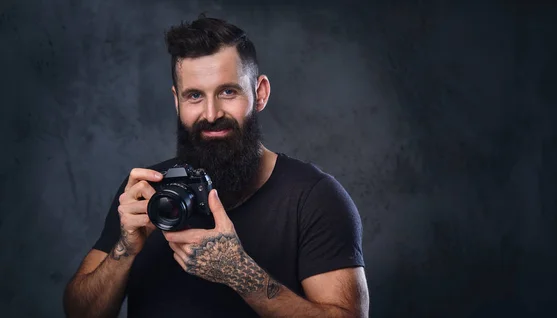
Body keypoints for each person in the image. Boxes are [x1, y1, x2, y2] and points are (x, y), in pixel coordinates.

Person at [63, 15, 369, 318]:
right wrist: (125, 250)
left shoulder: (314, 198)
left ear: (259, 93)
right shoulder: (148, 192)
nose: (211, 114)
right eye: (194, 96)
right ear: (177, 101)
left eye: (228, 92)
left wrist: (241, 274)